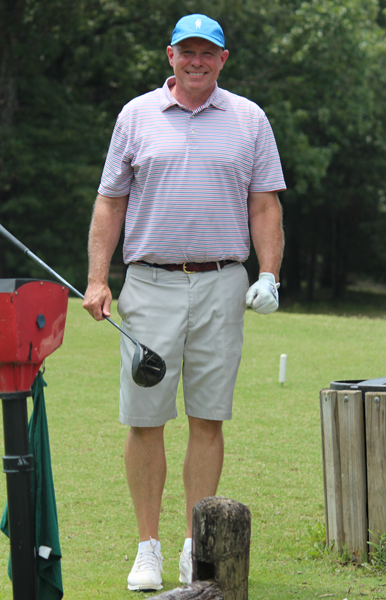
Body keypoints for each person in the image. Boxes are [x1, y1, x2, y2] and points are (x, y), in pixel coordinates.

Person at [83, 13, 286, 592]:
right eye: (187, 51)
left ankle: (196, 545)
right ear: (169, 56)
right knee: (145, 418)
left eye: (209, 53)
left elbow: (265, 205)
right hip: (149, 284)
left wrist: (268, 274)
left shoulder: (249, 119)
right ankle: (147, 547)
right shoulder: (136, 115)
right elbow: (109, 204)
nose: (197, 61)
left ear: (224, 59)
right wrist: (99, 279)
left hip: (223, 282)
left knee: (208, 416)